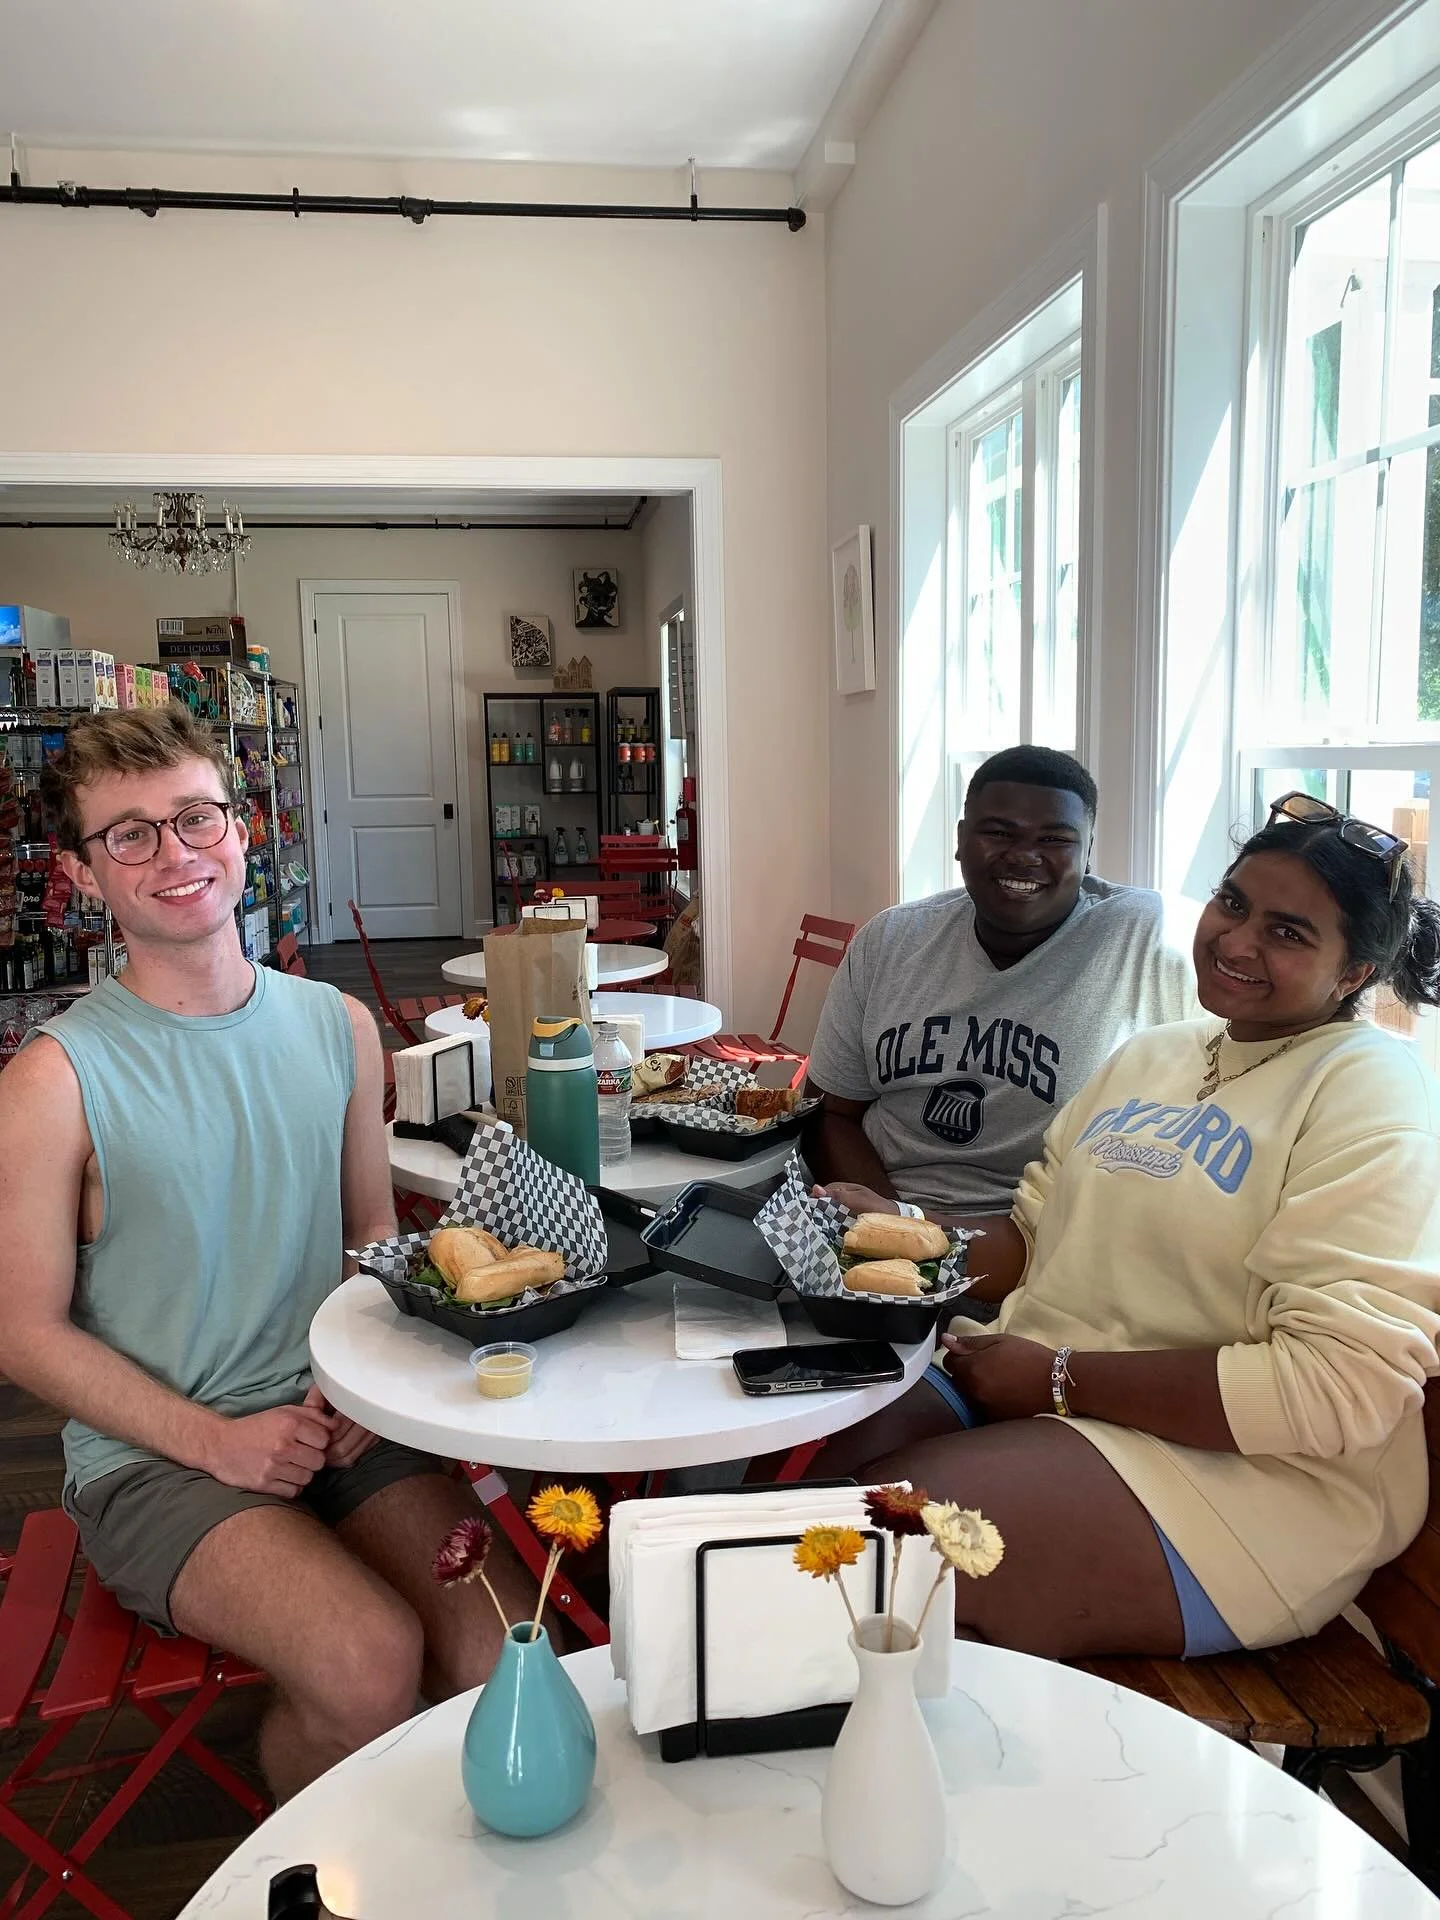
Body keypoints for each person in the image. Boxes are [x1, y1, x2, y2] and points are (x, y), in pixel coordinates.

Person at [0, 707, 534, 1800]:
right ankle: (319, 1878)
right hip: (157, 1460)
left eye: (195, 818)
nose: (176, 854)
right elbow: (22, 1331)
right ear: (83, 874)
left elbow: (370, 1237)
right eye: (130, 835)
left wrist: (360, 1384)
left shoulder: (335, 1025)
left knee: (509, 1652)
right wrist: (218, 1442)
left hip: (337, 1423)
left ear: (242, 832)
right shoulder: (50, 1082)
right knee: (364, 1657)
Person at [821, 794, 1440, 1659]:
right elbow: (1039, 1233)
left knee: (875, 1546)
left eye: (1289, 932)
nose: (1237, 941)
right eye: (1233, 904)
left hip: (1242, 1483)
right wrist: (910, 1228)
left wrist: (1062, 1380)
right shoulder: (1158, 1053)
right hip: (1042, 1378)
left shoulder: (1368, 1089)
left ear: (1353, 975)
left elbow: (1339, 1387)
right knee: (805, 1470)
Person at [804, 745, 1197, 1223]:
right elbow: (830, 1112)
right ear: (960, 839)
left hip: (1046, 1245)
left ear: (1088, 853)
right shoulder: (889, 941)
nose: (1024, 857)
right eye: (998, 832)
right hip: (877, 1220)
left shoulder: (1149, 937)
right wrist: (892, 1227)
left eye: (1055, 839)